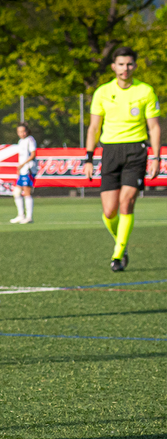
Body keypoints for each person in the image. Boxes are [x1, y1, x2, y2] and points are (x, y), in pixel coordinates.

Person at [83, 46, 161, 271]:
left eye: (129, 64)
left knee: (126, 203)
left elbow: (154, 127)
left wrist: (156, 157)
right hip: (110, 152)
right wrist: (89, 158)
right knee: (109, 212)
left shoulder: (145, 91)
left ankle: (117, 255)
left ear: (135, 66)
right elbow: (94, 127)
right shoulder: (102, 92)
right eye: (121, 64)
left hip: (136, 151)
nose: (125, 68)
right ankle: (122, 243)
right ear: (113, 66)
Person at [10, 122, 37, 224]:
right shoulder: (21, 141)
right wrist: (19, 168)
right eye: (19, 132)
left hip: (29, 169)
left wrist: (23, 165)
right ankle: (20, 215)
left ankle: (29, 217)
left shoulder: (30, 140)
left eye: (23, 131)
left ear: (27, 131)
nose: (21, 133)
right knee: (16, 192)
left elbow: (33, 154)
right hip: (22, 170)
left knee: (27, 192)